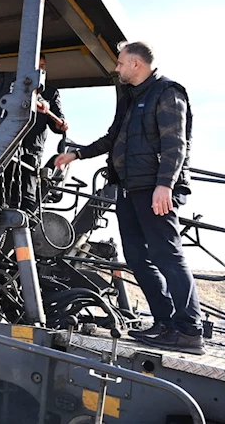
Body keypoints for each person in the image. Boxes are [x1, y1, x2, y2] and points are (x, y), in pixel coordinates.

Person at [54, 41, 203, 355]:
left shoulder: (166, 93)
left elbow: (176, 144)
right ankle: (164, 323)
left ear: (136, 64)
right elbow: (113, 139)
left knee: (168, 256)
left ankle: (189, 330)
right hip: (128, 189)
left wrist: (165, 185)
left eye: (121, 63)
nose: (117, 68)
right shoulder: (130, 98)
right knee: (137, 258)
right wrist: (76, 155)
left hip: (154, 191)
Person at [16, 53, 69, 213]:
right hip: (9, 148)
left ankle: (25, 218)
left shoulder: (51, 93)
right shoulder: (14, 89)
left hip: (32, 150)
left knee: (27, 195)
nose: (40, 70)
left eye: (43, 67)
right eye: (35, 67)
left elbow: (57, 124)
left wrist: (62, 124)